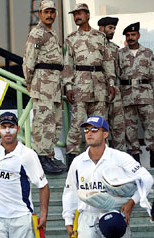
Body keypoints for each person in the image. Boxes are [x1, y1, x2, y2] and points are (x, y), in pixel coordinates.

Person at [63, 3, 116, 168]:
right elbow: (68, 65)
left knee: (99, 123)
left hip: (99, 85)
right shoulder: (71, 39)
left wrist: (111, 83)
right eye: (74, 14)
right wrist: (69, 87)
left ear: (87, 15)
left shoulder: (100, 37)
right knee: (77, 123)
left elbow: (108, 62)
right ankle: (72, 158)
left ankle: (98, 159)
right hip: (80, 85)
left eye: (80, 14)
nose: (77, 16)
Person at [23, 0, 64, 175]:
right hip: (42, 82)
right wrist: (29, 82)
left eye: (52, 12)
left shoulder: (51, 33)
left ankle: (49, 155)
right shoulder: (37, 32)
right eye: (46, 12)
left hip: (54, 84)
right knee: (43, 122)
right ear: (39, 14)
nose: (50, 15)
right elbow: (29, 59)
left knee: (55, 123)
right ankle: (41, 157)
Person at [118, 22, 154, 166]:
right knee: (130, 129)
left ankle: (153, 157)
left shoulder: (147, 53)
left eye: (133, 35)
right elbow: (117, 75)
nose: (131, 37)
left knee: (151, 126)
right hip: (127, 96)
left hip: (146, 95)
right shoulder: (120, 54)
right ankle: (134, 161)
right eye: (128, 35)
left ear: (138, 35)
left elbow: (152, 75)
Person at [98, 17, 126, 151]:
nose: (113, 31)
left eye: (114, 28)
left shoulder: (115, 48)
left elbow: (119, 72)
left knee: (119, 128)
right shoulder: (93, 45)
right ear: (101, 28)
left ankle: (120, 158)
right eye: (110, 28)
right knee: (101, 127)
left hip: (115, 93)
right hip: (98, 92)